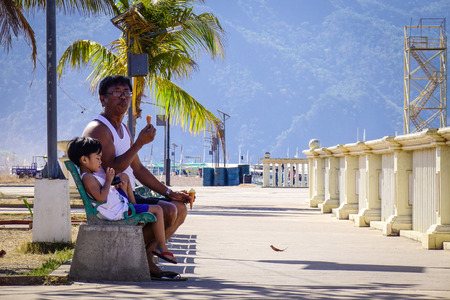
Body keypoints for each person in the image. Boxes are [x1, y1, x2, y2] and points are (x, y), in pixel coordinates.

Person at [82, 75, 190, 280]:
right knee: (168, 210)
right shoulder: (99, 129)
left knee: (180, 208)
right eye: (116, 93)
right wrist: (139, 143)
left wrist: (169, 192)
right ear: (102, 99)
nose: (123, 98)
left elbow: (138, 169)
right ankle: (141, 257)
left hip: (125, 195)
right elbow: (113, 167)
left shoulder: (122, 129)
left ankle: (146, 256)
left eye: (126, 93)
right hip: (111, 200)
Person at [67, 136, 177, 264]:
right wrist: (108, 180)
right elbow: (101, 197)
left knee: (124, 177)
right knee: (158, 210)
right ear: (84, 160)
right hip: (117, 212)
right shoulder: (88, 178)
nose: (100, 162)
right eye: (97, 158)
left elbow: (104, 194)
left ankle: (133, 206)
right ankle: (161, 247)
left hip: (118, 206)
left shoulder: (91, 176)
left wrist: (113, 185)